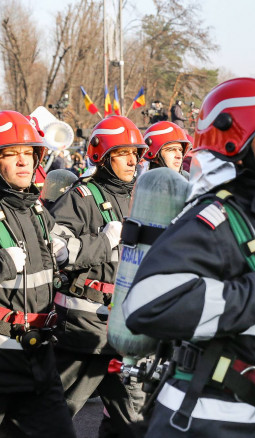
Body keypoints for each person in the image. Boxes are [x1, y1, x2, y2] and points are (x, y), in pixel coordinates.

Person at [123, 78, 255, 437]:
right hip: (207, 421)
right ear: (236, 144)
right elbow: (146, 304)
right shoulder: (213, 216)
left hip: (248, 415)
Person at [50, 115, 149, 436]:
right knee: (53, 417)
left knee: (132, 424)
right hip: (84, 333)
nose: (132, 160)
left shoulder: (141, 197)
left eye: (135, 153)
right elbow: (56, 250)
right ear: (102, 158)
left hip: (124, 332)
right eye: (122, 153)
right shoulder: (81, 198)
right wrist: (104, 241)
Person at [0, 110, 75, 437]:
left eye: (28, 153)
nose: (22, 162)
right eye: (11, 154)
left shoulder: (36, 208)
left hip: (39, 354)